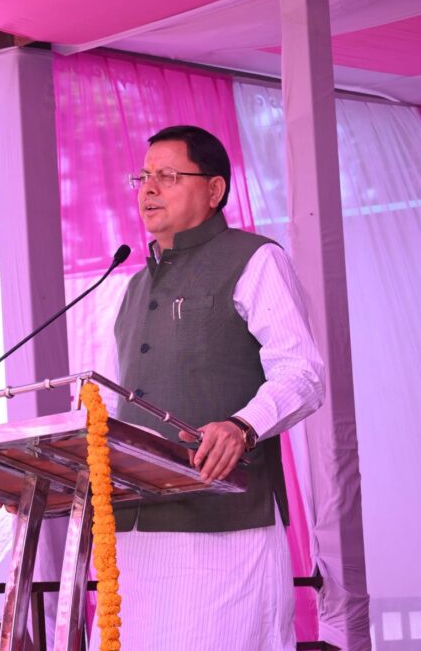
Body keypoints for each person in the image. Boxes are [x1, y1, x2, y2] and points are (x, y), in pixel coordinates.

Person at [91, 125, 325, 651]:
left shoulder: (254, 259)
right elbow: (107, 408)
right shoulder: (131, 287)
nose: (149, 189)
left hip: (223, 529)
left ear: (214, 190)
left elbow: (302, 373)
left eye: (168, 176)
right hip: (133, 537)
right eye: (143, 177)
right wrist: (50, 476)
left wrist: (243, 426)